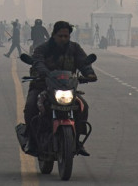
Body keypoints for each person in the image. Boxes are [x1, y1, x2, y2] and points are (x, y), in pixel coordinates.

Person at [24, 21, 97, 156]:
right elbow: (37, 61)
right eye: (60, 36)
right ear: (53, 35)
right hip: (42, 86)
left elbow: (83, 62)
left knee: (83, 107)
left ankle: (77, 141)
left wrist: (89, 74)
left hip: (67, 88)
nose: (63, 39)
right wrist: (44, 72)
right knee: (30, 107)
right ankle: (31, 140)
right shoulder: (43, 48)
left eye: (66, 36)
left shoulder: (75, 48)